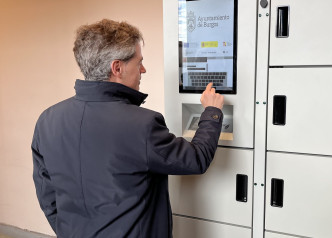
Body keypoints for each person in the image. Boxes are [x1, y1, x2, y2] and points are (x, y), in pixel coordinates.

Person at [31, 19, 224, 238]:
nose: (143, 69)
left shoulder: (47, 120)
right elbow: (196, 159)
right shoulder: (142, 124)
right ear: (117, 67)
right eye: (138, 62)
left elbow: (47, 196)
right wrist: (212, 112)